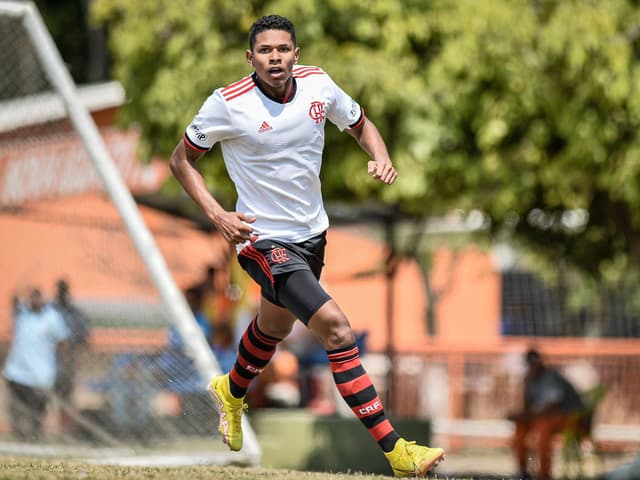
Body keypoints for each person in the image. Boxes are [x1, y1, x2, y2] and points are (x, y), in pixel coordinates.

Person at [169, 14, 444, 477]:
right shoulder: (228, 104)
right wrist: (219, 215)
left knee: (273, 328)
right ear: (250, 57)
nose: (274, 58)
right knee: (336, 329)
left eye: (282, 50)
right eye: (264, 51)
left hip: (312, 236)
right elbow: (181, 161)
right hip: (261, 239)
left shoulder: (318, 85)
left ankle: (231, 391)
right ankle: (398, 452)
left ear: (296, 54)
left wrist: (380, 155)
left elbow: (359, 124)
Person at [508, 348, 586, 480]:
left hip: (572, 418)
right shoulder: (531, 379)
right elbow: (529, 407)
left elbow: (552, 406)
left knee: (543, 426)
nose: (531, 366)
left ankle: (544, 474)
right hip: (546, 418)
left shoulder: (552, 376)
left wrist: (527, 414)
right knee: (520, 426)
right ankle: (522, 472)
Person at [2, 287, 70, 440]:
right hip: (17, 372)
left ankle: (34, 436)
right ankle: (18, 436)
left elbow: (62, 343)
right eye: (32, 298)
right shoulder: (23, 315)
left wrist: (63, 365)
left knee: (37, 409)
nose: (35, 301)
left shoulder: (52, 318)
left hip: (40, 373)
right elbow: (13, 301)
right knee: (16, 407)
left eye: (37, 297)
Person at [53, 278, 90, 431]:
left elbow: (83, 334)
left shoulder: (75, 314)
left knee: (66, 398)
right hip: (47, 363)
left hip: (67, 362)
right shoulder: (50, 311)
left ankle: (65, 430)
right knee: (43, 398)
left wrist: (68, 341)